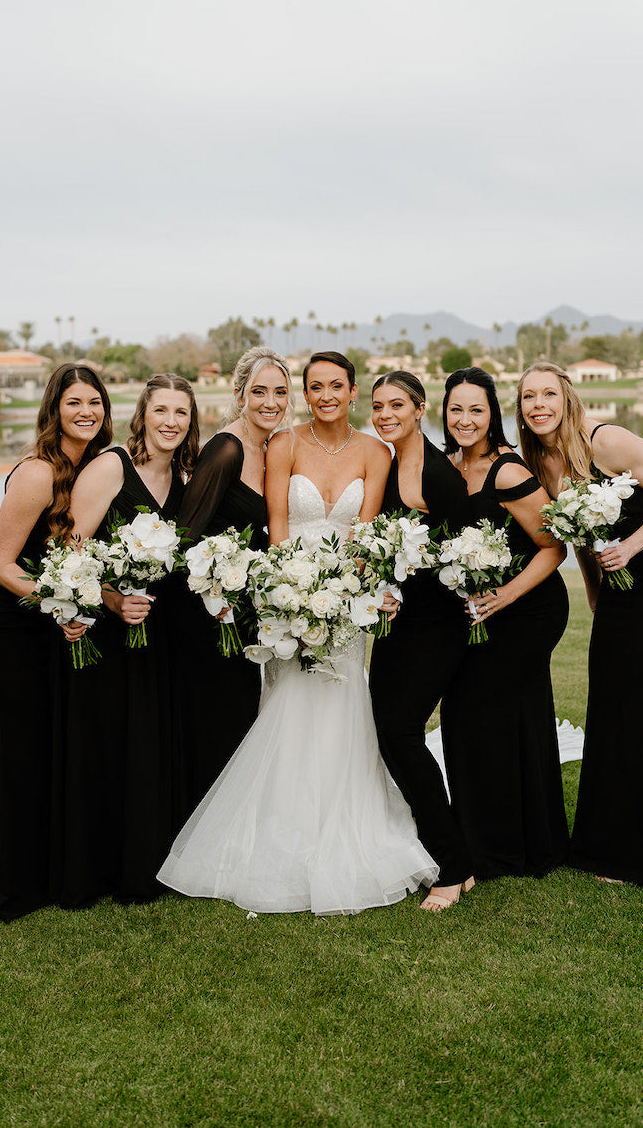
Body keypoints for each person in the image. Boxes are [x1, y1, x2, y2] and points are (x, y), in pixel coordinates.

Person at [159, 351, 438, 914]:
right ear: (306, 395)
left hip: (347, 606)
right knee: (289, 703)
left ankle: (349, 822)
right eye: (315, 387)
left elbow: (368, 535)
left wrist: (344, 598)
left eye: (336, 385)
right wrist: (295, 597)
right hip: (288, 598)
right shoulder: (283, 445)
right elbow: (277, 530)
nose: (326, 394)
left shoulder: (374, 452)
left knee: (344, 706)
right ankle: (283, 830)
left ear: (352, 391)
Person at [0, 363, 112, 920]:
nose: (86, 412)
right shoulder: (38, 473)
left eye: (95, 403)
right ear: (53, 409)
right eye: (74, 403)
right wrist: (60, 604)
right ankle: (1, 885)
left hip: (45, 627)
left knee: (41, 748)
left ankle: (38, 871)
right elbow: (0, 565)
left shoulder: (94, 470)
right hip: (3, 625)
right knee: (13, 751)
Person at [517, 362, 643, 887]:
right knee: (624, 700)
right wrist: (597, 595)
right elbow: (580, 539)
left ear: (566, 396)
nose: (539, 405)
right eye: (529, 397)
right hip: (618, 594)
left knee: (634, 702)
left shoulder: (606, 441)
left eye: (548, 393)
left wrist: (631, 546)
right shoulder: (544, 464)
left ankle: (628, 852)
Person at [52, 373, 197, 907]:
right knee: (108, 747)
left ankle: (149, 865)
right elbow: (68, 550)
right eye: (161, 411)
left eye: (181, 413)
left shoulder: (186, 476)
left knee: (150, 745)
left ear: (191, 421)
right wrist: (112, 601)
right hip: (111, 637)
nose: (170, 422)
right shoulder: (112, 466)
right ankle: (98, 870)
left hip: (163, 636)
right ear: (143, 414)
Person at [440, 367, 569, 879]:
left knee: (486, 711)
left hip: (528, 607)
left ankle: (504, 847)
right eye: (456, 409)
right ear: (444, 413)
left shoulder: (508, 471)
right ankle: (501, 835)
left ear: (492, 413)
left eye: (477, 409)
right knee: (482, 717)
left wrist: (504, 596)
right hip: (479, 611)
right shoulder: (446, 464)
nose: (465, 419)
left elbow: (554, 545)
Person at [367, 371, 476, 910]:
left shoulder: (436, 473)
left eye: (397, 405)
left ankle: (453, 866)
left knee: (402, 735)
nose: (387, 414)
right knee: (390, 733)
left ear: (420, 408)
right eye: (378, 405)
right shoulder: (390, 462)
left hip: (437, 627)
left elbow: (465, 553)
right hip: (399, 623)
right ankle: (450, 849)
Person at [171, 346, 294, 808]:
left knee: (242, 715)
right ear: (240, 393)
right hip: (210, 613)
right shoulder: (226, 448)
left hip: (241, 612)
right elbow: (186, 538)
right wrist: (215, 592)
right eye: (259, 391)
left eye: (279, 392)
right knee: (220, 720)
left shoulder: (268, 447)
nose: (270, 402)